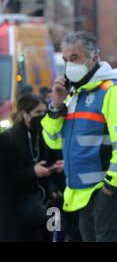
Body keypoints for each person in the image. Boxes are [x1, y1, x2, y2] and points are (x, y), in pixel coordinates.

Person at [42, 32, 117, 242]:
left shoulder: (115, 93)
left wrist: (111, 187)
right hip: (82, 194)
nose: (69, 65)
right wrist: (56, 106)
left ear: (94, 58)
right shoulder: (73, 96)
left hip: (107, 192)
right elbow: (53, 140)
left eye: (74, 58)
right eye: (65, 60)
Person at [1, 93, 64, 241]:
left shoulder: (47, 136)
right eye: (38, 112)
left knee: (53, 235)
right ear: (24, 114)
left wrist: (59, 167)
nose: (42, 116)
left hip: (50, 203)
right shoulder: (7, 139)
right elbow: (5, 179)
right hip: (20, 209)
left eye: (44, 112)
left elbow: (55, 158)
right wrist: (33, 173)